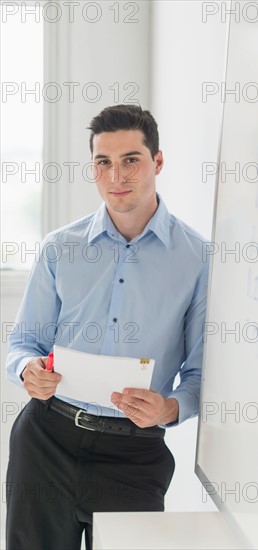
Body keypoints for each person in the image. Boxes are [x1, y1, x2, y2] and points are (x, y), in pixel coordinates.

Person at [5, 104, 208, 550]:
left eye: (131, 160)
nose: (117, 176)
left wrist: (168, 410)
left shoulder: (198, 260)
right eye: (103, 163)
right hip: (45, 444)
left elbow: (199, 378)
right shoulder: (60, 248)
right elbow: (22, 343)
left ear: (157, 161)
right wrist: (27, 371)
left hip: (134, 457)